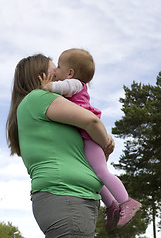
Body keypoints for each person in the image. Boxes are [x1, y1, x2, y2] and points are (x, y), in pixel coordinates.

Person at [6, 54, 115, 238]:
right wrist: (106, 141)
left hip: (71, 198)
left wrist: (102, 148)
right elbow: (92, 121)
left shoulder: (42, 110)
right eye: (53, 67)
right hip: (66, 197)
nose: (58, 71)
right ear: (40, 75)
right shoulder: (38, 97)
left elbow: (86, 158)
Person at [39, 48, 142, 231]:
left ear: (70, 73)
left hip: (89, 137)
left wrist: (46, 87)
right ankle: (111, 206)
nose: (56, 72)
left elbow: (62, 88)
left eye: (60, 67)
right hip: (84, 137)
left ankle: (126, 201)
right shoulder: (74, 86)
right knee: (92, 173)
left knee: (101, 171)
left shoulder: (76, 84)